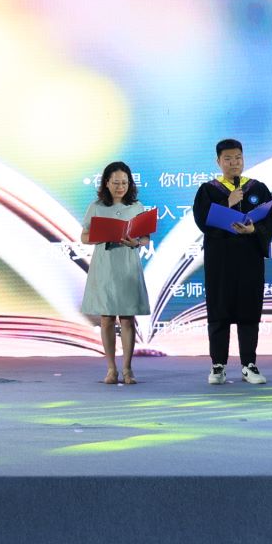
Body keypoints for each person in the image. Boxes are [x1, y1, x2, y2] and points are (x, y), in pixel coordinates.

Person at [193, 139, 272, 386]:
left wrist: (254, 230)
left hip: (249, 260)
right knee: (219, 311)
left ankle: (249, 364)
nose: (234, 163)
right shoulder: (208, 190)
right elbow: (202, 220)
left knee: (249, 311)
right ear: (218, 161)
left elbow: (270, 220)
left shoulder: (258, 188)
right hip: (220, 261)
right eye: (228, 159)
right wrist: (226, 203)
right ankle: (218, 365)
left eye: (238, 158)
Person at [79, 161, 152, 385]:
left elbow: (145, 238)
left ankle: (128, 369)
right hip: (105, 266)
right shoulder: (96, 207)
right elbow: (84, 236)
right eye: (116, 183)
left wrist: (136, 242)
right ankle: (111, 369)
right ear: (106, 183)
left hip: (128, 265)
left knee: (128, 318)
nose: (121, 187)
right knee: (107, 318)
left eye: (124, 183)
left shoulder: (136, 207)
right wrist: (102, 235)